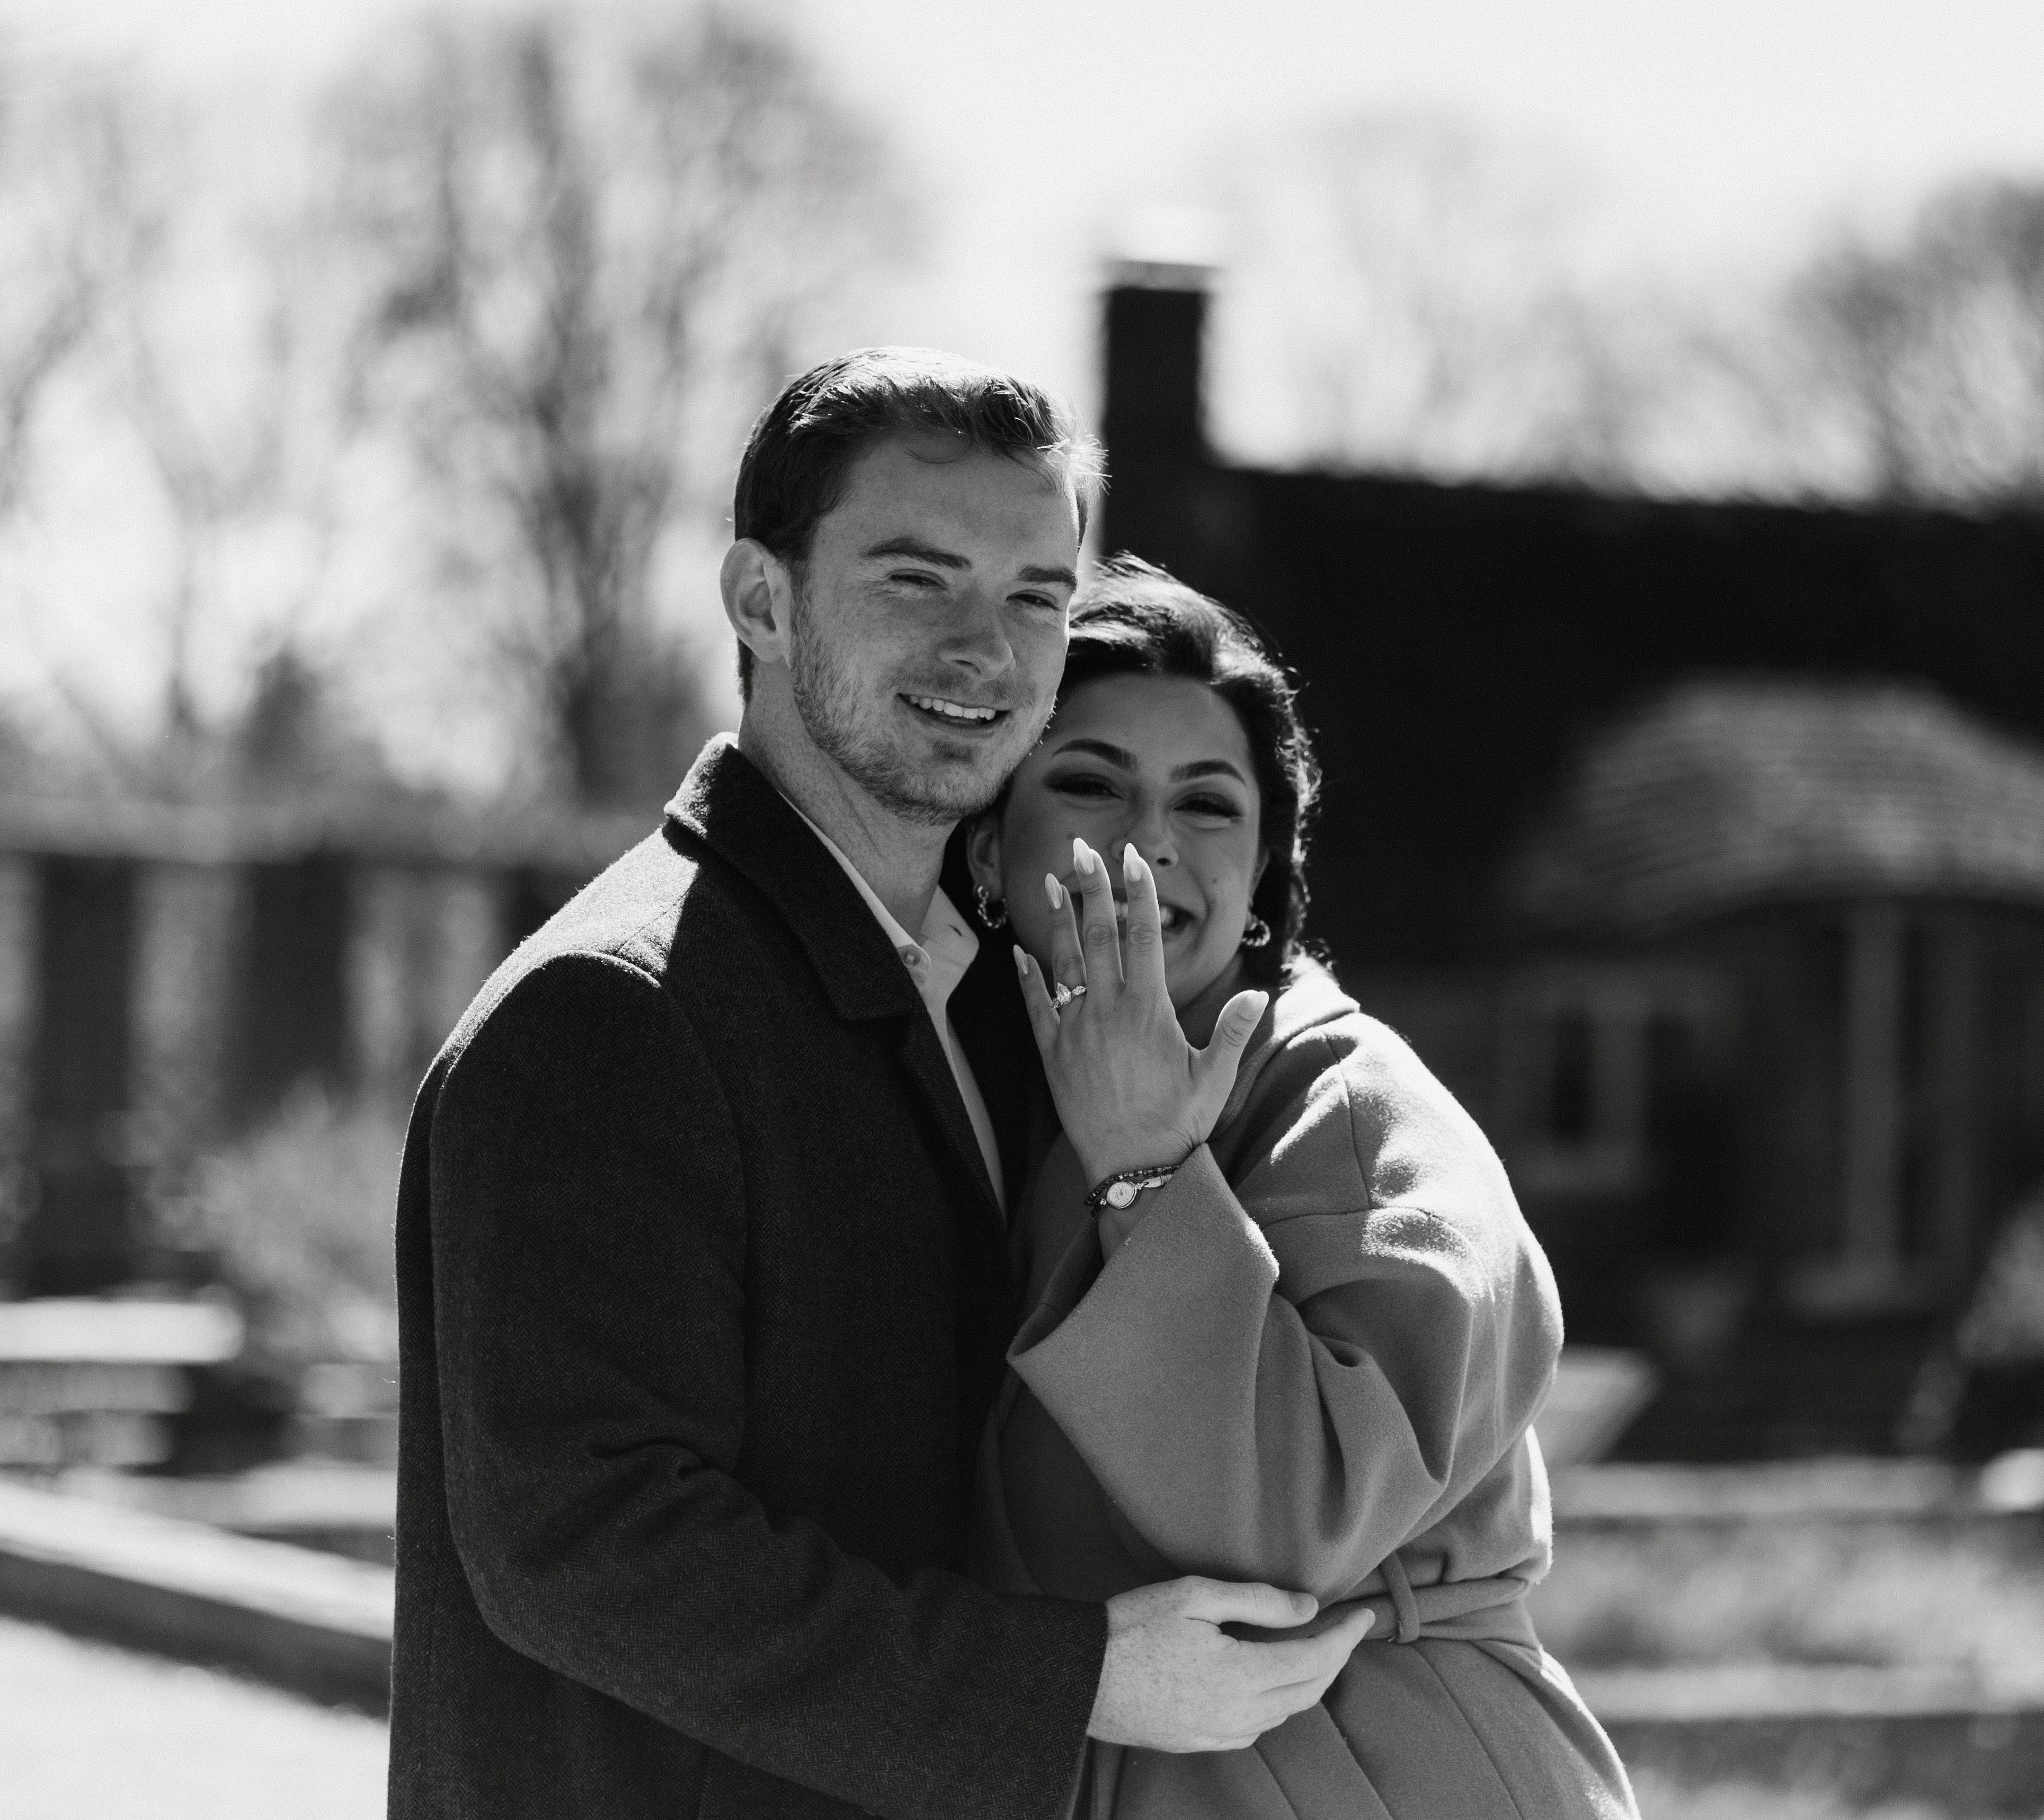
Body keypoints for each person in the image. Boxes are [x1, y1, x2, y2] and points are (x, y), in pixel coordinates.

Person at [388, 355, 1373, 1820]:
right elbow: (582, 1547)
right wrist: (1075, 1681)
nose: (988, 650)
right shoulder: (611, 1011)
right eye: (919, 579)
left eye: (1036, 595)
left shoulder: (986, 994)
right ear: (761, 600)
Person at [964, 559, 1641, 1819]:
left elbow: (1296, 1527)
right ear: (989, 845)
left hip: (1387, 1774)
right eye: (1090, 782)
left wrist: (1147, 1173)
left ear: (1263, 872)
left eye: (1207, 803)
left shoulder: (1353, 1106)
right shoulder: (981, 1101)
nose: (1149, 839)